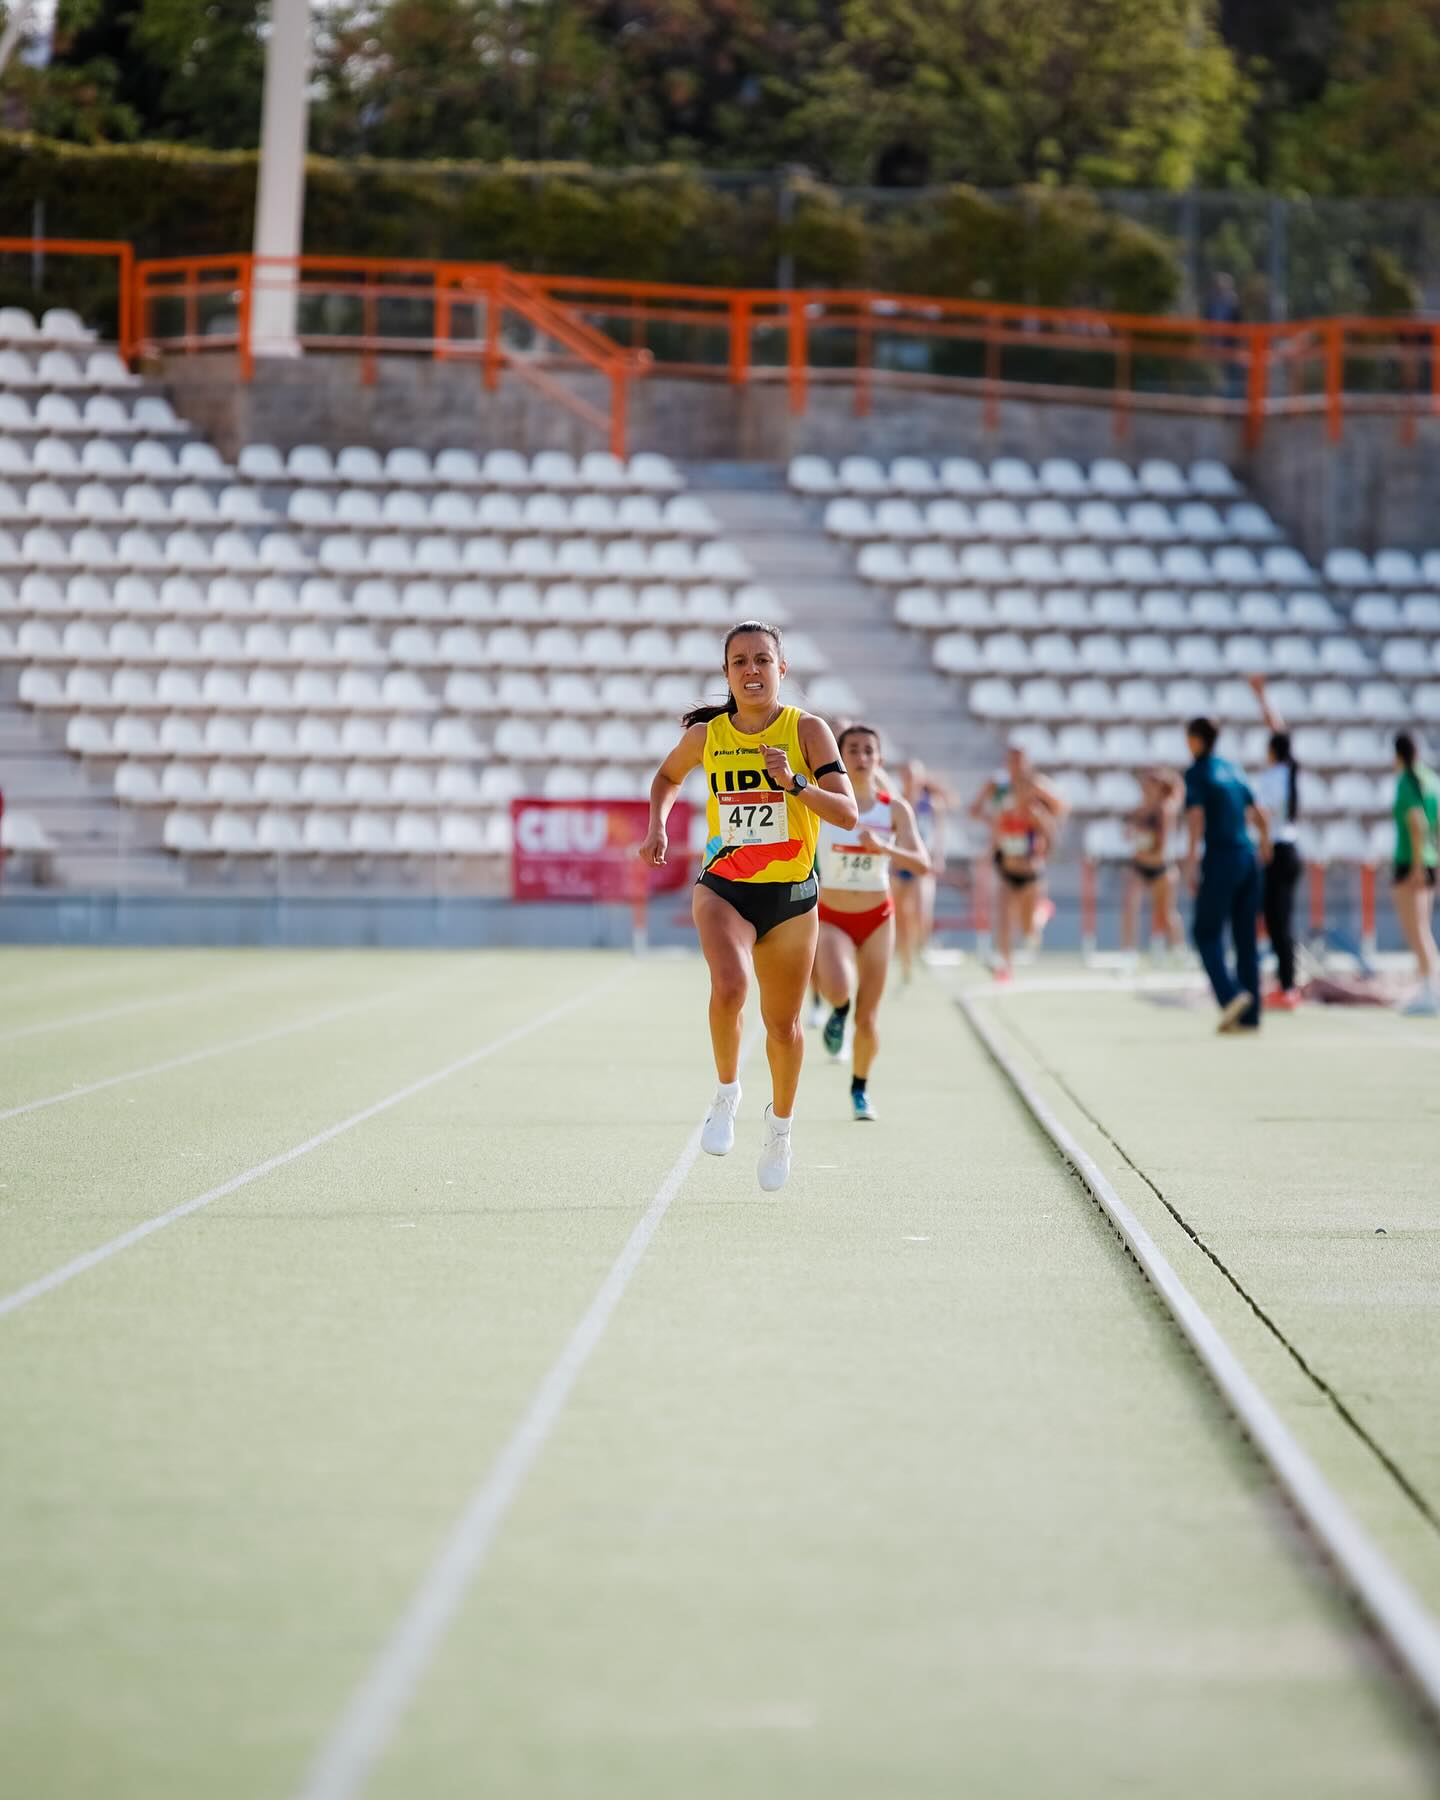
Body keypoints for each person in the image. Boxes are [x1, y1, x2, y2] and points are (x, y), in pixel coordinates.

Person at [639, 620, 857, 1190]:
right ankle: (727, 1093)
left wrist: (792, 784)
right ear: (727, 673)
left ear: (781, 670)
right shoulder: (708, 737)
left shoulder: (807, 731)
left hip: (791, 899)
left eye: (763, 659)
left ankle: (780, 1128)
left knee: (782, 1026)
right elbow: (666, 777)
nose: (752, 670)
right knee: (730, 986)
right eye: (740, 661)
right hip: (724, 887)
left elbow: (847, 814)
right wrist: (658, 825)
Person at [813, 725, 931, 1120]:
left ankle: (860, 1090)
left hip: (878, 918)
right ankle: (836, 1012)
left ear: (879, 760)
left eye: (869, 751)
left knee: (869, 1018)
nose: (862, 757)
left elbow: (922, 863)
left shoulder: (893, 809)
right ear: (841, 758)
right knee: (839, 988)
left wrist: (886, 847)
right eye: (854, 750)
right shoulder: (824, 804)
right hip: (831, 916)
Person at [1182, 716, 1270, 1033]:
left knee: (1205, 932)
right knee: (1246, 938)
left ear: (1196, 739)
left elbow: (1195, 817)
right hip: (1248, 857)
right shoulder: (1234, 769)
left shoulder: (1197, 772)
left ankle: (1230, 995)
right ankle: (1251, 1016)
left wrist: (1191, 862)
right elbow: (1259, 811)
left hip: (1220, 857)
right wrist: (1266, 844)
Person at [971, 747, 1066, 981]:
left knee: (1028, 930)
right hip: (1006, 865)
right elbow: (975, 810)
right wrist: (994, 824)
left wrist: (1044, 836)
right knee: (1003, 917)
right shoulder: (998, 787)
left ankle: (1041, 914)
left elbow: (1060, 812)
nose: (1016, 766)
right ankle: (1005, 967)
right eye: (1012, 760)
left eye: (1020, 761)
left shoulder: (1038, 794)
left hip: (1031, 870)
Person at [1248, 674, 1305, 1009]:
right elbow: (1278, 729)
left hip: (1277, 851)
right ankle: (1284, 983)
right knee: (1276, 919)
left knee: (1276, 921)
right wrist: (1262, 697)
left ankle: (1287, 986)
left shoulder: (1271, 777)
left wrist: (1264, 846)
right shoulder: (1290, 770)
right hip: (1291, 849)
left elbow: (1262, 815)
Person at [1390, 732, 1440, 1016]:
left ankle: (1428, 990)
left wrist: (1417, 866)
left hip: (1411, 862)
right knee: (1424, 930)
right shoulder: (1431, 779)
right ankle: (1429, 987)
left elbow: (1416, 823)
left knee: (1415, 930)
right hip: (1428, 861)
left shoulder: (1407, 781)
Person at [891, 759, 949, 980]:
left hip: (921, 864)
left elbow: (938, 834)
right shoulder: (896, 802)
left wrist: (938, 857)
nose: (909, 780)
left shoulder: (931, 804)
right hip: (900, 864)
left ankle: (921, 946)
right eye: (906, 775)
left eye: (913, 776)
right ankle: (906, 963)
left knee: (921, 911)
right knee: (901, 916)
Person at [1121, 769, 1184, 958]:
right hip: (1140, 865)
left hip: (1161, 868)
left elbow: (1160, 843)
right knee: (1130, 907)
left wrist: (1142, 838)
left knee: (1166, 913)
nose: (1146, 789)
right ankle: (1129, 951)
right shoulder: (1140, 809)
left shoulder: (1166, 809)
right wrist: (1134, 833)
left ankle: (1178, 950)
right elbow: (1129, 833)